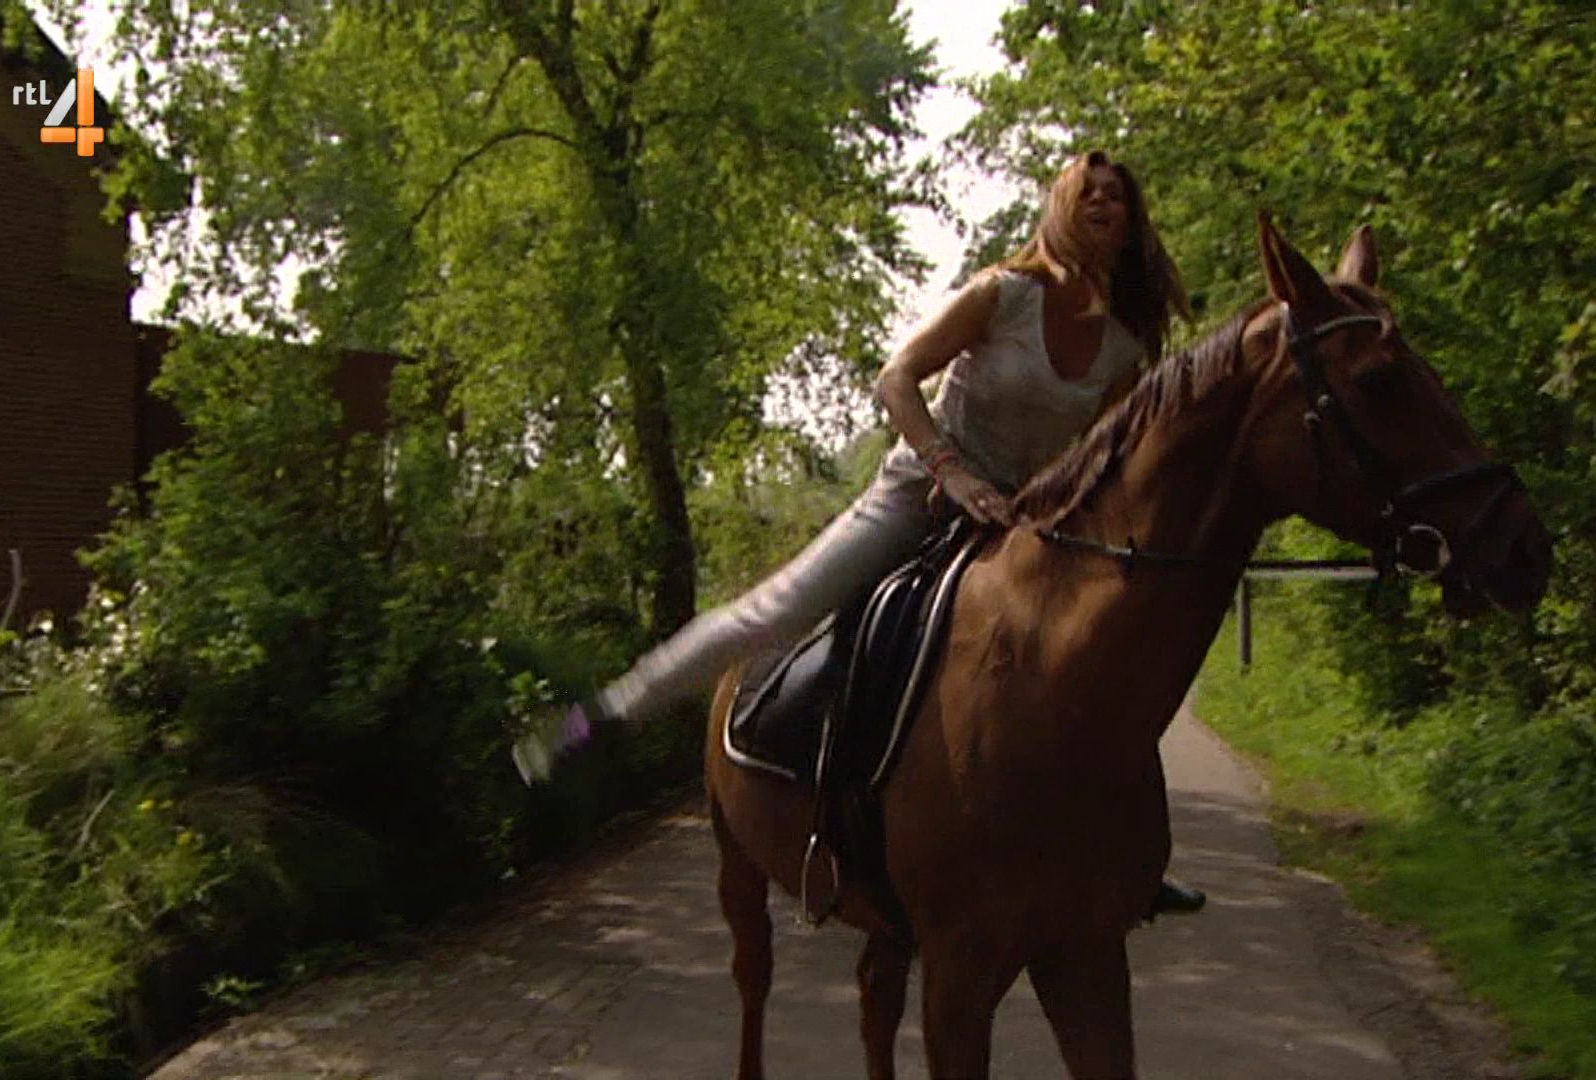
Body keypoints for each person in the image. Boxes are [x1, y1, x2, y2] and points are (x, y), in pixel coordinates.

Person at [514, 151, 1206, 912]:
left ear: (1131, 224)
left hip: (1021, 524)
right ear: (1061, 207)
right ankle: (594, 721)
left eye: (1117, 196)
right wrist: (952, 472)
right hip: (920, 497)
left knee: (1108, 649)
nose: (1103, 202)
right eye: (1088, 191)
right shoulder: (1001, 295)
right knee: (773, 614)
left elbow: (1098, 455)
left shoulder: (1122, 347)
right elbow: (896, 377)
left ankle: (1129, 854)